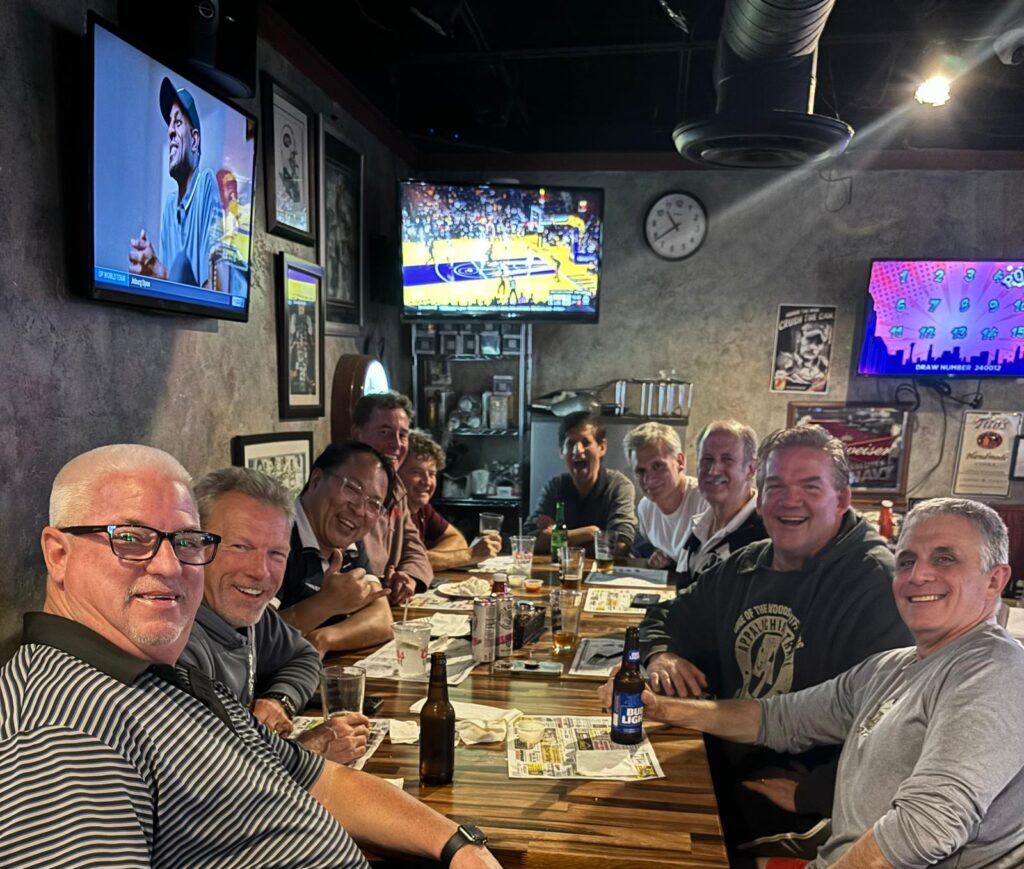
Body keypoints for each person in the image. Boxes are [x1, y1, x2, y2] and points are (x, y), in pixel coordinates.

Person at [0, 444, 501, 868]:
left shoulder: (164, 678)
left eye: (187, 541)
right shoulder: (61, 730)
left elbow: (323, 782)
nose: (169, 566)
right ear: (58, 554)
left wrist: (460, 844)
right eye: (130, 539)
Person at [604, 498, 1024, 868]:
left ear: (994, 580)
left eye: (945, 558)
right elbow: (777, 718)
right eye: (908, 560)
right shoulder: (891, 668)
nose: (918, 576)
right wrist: (660, 707)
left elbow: (928, 825)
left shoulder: (995, 669)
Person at [639, 424, 913, 856]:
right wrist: (660, 654)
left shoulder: (876, 582)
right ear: (759, 497)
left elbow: (897, 727)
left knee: (653, 840)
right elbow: (663, 617)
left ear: (841, 499)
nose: (789, 500)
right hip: (725, 758)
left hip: (809, 802)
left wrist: (817, 793)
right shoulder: (746, 566)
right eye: (776, 486)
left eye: (809, 486)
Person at [179, 466, 369, 763]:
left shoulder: (251, 616)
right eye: (241, 547)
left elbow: (304, 657)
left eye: (277, 554)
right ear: (194, 545)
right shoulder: (177, 642)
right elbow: (211, 779)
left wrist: (280, 700)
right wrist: (308, 748)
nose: (260, 572)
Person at [277, 441, 395, 657]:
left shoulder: (347, 539)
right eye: (352, 489)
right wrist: (325, 604)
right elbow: (252, 639)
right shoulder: (276, 535)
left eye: (373, 504)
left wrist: (324, 638)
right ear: (316, 480)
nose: (359, 510)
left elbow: (382, 618)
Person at [129, 77, 223, 289]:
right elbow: (173, 293)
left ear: (195, 140)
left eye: (178, 122)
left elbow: (217, 291)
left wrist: (163, 276)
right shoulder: (169, 208)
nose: (170, 131)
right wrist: (153, 272)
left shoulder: (206, 182)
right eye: (169, 124)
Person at [351, 391, 434, 605]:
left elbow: (415, 551)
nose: (396, 444)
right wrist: (382, 585)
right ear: (358, 434)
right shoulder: (343, 491)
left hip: (382, 606)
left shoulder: (395, 486)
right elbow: (345, 574)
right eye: (385, 432)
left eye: (403, 435)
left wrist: (409, 579)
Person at [525, 411, 637, 555]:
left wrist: (555, 537)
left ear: (602, 447)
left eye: (586, 442)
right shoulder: (555, 487)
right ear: (561, 451)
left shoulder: (618, 486)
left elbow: (621, 545)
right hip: (562, 573)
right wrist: (589, 532)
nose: (578, 450)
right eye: (570, 443)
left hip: (605, 575)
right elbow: (529, 541)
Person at [675, 420, 767, 590]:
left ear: (751, 469)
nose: (713, 471)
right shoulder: (699, 528)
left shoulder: (765, 534)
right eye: (707, 459)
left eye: (727, 459)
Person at [399, 429, 502, 570]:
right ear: (396, 473)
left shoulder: (422, 507)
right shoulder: (390, 510)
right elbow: (404, 562)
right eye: (416, 473)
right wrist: (470, 555)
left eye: (432, 474)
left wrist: (431, 558)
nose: (427, 482)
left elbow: (456, 539)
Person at [623, 421, 707, 571]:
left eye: (657, 466)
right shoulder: (645, 507)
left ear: (680, 462)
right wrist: (654, 556)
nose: (649, 479)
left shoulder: (704, 501)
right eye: (641, 471)